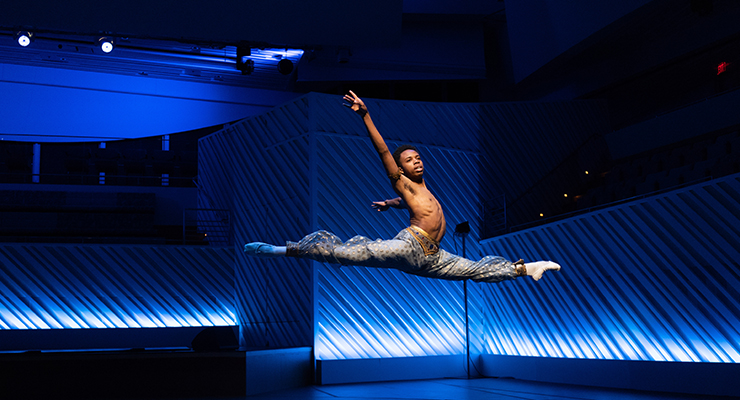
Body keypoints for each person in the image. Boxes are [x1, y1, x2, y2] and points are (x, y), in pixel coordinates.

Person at [244, 91, 561, 283]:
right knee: (353, 253)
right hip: (410, 246)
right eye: (409, 160)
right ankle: (284, 250)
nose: (417, 161)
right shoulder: (404, 181)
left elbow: (410, 203)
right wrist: (365, 116)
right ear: (402, 169)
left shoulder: (419, 189)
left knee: (476, 271)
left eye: (418, 157)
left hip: (434, 256)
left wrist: (388, 203)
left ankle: (526, 269)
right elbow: (383, 152)